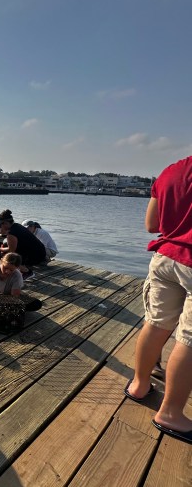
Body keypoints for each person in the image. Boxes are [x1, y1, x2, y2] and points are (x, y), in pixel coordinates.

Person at [125, 156, 192, 444]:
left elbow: (152, 224)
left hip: (165, 258)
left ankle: (139, 386)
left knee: (155, 324)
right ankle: (171, 414)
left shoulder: (172, 171)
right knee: (189, 340)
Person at [0, 209, 47, 276]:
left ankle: (28, 272)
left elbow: (11, 253)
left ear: (5, 223)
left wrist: (1, 256)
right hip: (41, 252)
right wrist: (0, 249)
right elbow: (11, 247)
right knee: (5, 247)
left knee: (9, 259)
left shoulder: (11, 234)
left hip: (36, 256)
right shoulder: (17, 226)